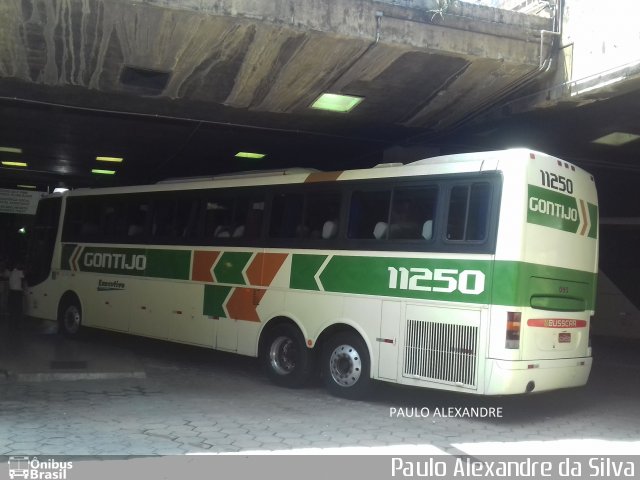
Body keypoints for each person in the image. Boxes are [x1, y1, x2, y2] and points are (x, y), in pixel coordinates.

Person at [8, 261, 25, 330]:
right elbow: (23, 278)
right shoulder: (19, 272)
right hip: (17, 293)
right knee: (18, 309)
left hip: (11, 292)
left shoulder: (11, 273)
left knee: (13, 309)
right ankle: (17, 325)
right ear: (17, 265)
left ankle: (12, 324)